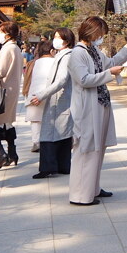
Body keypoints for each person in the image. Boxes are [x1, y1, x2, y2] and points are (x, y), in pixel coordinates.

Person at [68, 16, 127, 205]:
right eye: (100, 34)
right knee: (86, 150)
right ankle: (80, 195)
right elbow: (84, 80)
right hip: (87, 107)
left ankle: (92, 188)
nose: (101, 38)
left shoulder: (93, 50)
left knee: (97, 149)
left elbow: (108, 64)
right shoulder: (78, 53)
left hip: (100, 104)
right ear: (91, 32)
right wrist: (110, 74)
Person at [28, 28, 76, 179]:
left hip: (59, 99)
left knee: (50, 134)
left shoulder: (66, 56)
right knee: (62, 133)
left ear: (67, 41)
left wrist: (42, 94)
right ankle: (62, 166)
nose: (55, 39)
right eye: (55, 36)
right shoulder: (63, 55)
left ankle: (48, 167)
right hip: (60, 100)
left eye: (58, 37)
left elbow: (61, 80)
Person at [0, 21, 24, 171]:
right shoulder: (16, 49)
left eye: (1, 31)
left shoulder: (8, 49)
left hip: (1, 91)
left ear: (7, 34)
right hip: (11, 90)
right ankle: (12, 152)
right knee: (7, 122)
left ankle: (1, 153)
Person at [23, 40, 55, 152]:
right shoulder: (56, 62)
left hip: (34, 93)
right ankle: (49, 141)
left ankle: (36, 142)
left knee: (36, 121)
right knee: (51, 120)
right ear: (52, 51)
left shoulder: (34, 62)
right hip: (49, 93)